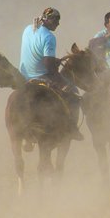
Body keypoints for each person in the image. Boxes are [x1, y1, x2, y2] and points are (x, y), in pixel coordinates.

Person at [19, 7, 83, 140]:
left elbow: (35, 53)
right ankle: (72, 128)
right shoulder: (49, 37)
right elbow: (48, 65)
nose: (58, 23)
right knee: (73, 92)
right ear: (49, 20)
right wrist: (56, 72)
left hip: (24, 76)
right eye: (56, 20)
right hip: (41, 76)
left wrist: (54, 61)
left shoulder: (28, 29)